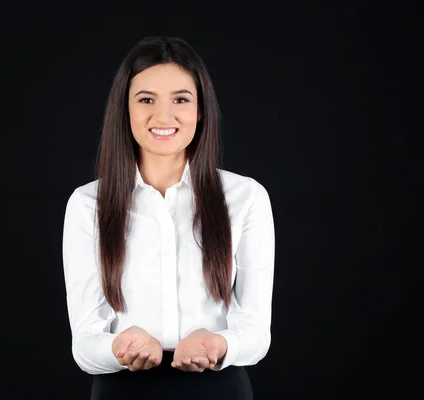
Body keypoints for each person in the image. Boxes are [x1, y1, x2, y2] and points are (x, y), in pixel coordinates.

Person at [62, 36, 275, 400]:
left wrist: (219, 343)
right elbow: (84, 342)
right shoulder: (88, 204)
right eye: (146, 100)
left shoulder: (244, 197)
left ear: (200, 109)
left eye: (180, 99)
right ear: (125, 109)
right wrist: (120, 347)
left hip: (219, 389)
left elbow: (256, 331)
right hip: (123, 390)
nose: (163, 116)